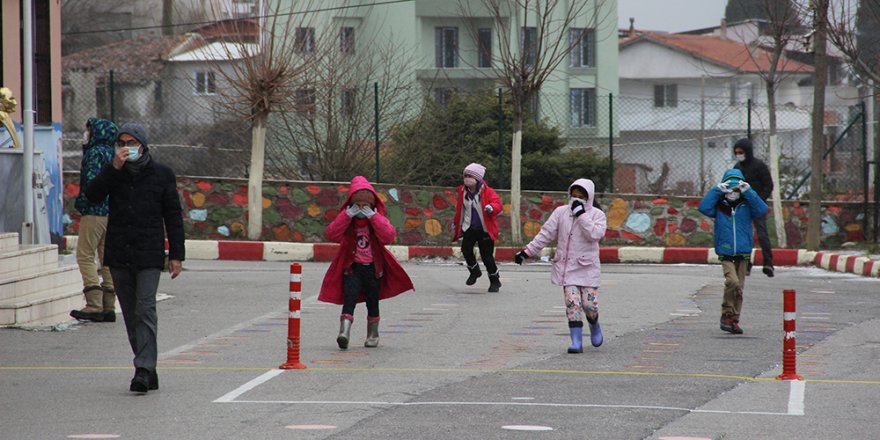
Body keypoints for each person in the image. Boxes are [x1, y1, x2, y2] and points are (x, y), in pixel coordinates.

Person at [86, 122, 185, 393]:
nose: (126, 148)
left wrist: (176, 254)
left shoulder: (162, 174)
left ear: (142, 145)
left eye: (131, 143)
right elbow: (92, 196)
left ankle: (142, 368)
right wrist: (113, 169)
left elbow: (173, 215)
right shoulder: (113, 173)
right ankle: (147, 368)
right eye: (122, 143)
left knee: (145, 309)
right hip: (119, 253)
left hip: (149, 253)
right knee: (131, 314)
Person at [318, 176, 414, 350]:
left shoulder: (376, 221)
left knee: (372, 301)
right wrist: (347, 214)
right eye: (358, 205)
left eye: (365, 205)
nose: (361, 209)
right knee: (349, 300)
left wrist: (374, 216)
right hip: (352, 269)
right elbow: (332, 234)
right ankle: (344, 333)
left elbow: (388, 236)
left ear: (372, 205)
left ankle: (373, 334)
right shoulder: (348, 222)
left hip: (373, 269)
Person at [514, 178, 607, 353]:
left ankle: (594, 323)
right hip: (567, 268)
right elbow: (545, 234)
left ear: (589, 197)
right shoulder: (560, 212)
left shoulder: (597, 215)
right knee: (572, 304)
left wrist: (581, 215)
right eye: (574, 195)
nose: (576, 199)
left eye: (581, 196)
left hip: (588, 268)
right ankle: (576, 341)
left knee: (589, 305)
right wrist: (527, 252)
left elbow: (595, 235)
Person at [698, 169, 768, 335]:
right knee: (733, 282)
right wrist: (717, 190)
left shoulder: (747, 205)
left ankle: (734, 319)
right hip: (726, 250)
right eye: (730, 189)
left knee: (739, 288)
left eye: (736, 189)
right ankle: (726, 313)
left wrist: (748, 191)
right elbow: (704, 208)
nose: (733, 193)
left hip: (743, 251)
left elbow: (762, 209)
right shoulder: (720, 206)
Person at [70, 118, 118, 323]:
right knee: (107, 257)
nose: (86, 135)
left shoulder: (93, 154)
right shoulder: (115, 154)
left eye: (88, 131)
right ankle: (109, 305)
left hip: (95, 211)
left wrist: (81, 203)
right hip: (112, 213)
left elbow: (90, 185)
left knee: (85, 254)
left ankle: (93, 304)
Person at [452, 163, 503, 292]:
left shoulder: (488, 191)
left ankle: (494, 280)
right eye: (465, 176)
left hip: (485, 229)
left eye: (470, 176)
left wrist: (491, 208)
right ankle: (474, 271)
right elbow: (460, 209)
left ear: (477, 178)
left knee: (487, 257)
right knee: (465, 249)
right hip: (469, 227)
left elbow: (497, 204)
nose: (467, 178)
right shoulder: (462, 192)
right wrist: (456, 222)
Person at [733, 138, 775, 277]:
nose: (739, 155)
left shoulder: (759, 166)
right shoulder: (737, 168)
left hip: (757, 205)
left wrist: (759, 199)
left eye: (741, 152)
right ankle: (746, 264)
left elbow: (768, 185)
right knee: (744, 236)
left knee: (762, 235)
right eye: (737, 152)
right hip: (743, 206)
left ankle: (768, 263)